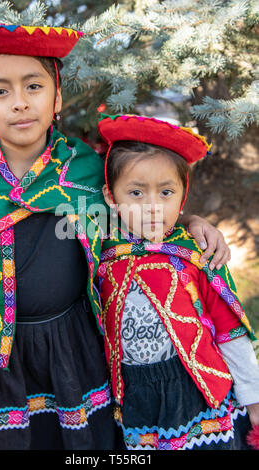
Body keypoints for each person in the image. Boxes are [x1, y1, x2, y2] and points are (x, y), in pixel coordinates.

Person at [0, 24, 232, 450]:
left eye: (33, 86)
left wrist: (193, 219)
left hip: (77, 342)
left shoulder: (86, 169)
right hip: (4, 356)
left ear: (58, 97)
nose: (19, 103)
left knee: (89, 444)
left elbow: (135, 207)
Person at [97, 113, 259, 451]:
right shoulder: (100, 257)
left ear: (182, 198)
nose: (153, 206)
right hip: (135, 398)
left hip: (199, 392)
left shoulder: (195, 255)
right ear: (111, 197)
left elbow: (230, 329)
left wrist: (254, 397)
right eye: (137, 192)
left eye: (166, 192)